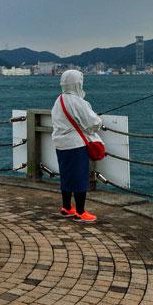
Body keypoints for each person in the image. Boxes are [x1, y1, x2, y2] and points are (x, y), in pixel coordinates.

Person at [51, 69, 102, 222]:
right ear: (77, 83)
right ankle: (80, 212)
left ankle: (66, 207)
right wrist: (99, 122)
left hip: (60, 144)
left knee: (66, 176)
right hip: (75, 145)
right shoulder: (78, 101)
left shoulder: (59, 100)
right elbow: (94, 123)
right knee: (80, 178)